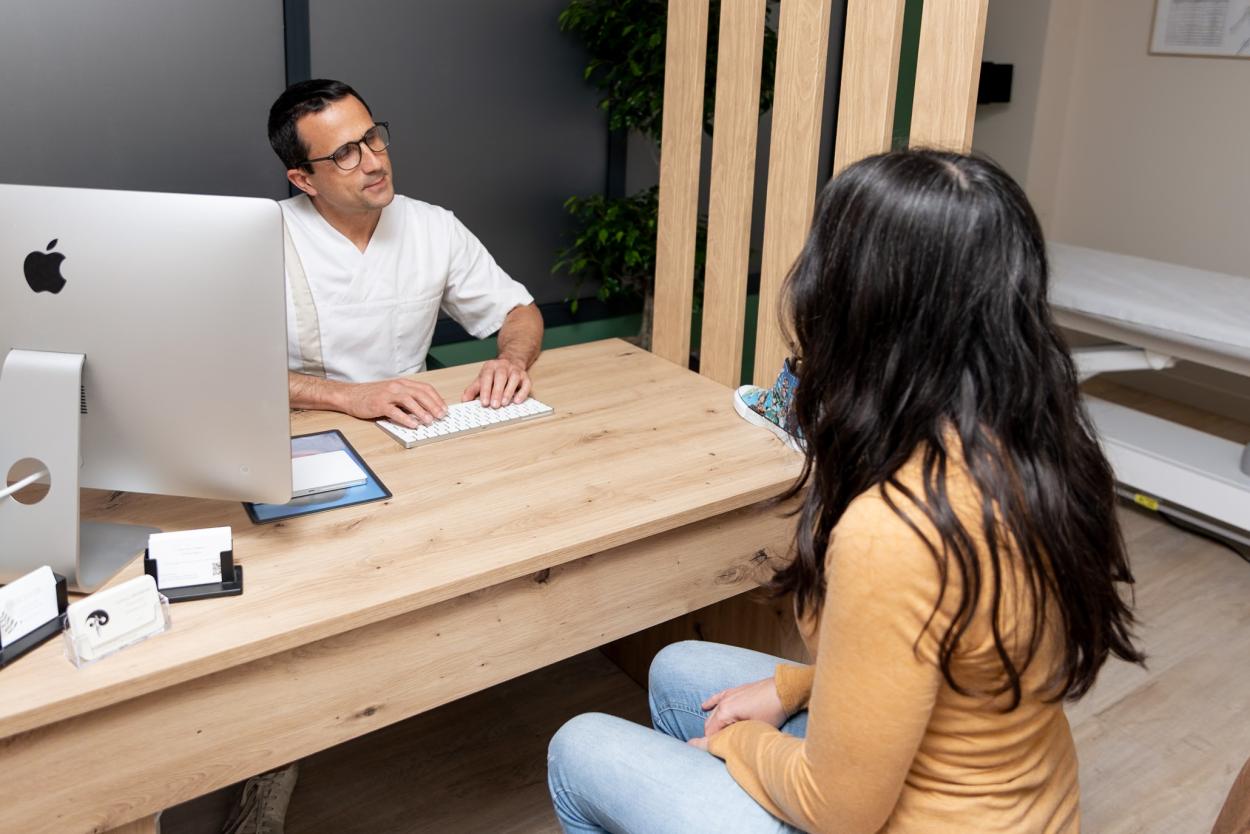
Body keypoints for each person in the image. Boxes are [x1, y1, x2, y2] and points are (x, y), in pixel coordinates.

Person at [546, 150, 1146, 833]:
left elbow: (841, 812)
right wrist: (788, 688)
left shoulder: (896, 528)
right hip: (1025, 806)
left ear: (860, 302)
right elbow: (942, 670)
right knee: (679, 667)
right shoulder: (1039, 444)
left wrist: (736, 745)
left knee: (580, 746)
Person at [267, 79, 543, 428]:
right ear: (304, 180)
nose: (373, 163)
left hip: (416, 421)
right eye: (344, 154)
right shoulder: (263, 238)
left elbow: (518, 311)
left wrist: (511, 363)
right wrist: (347, 395)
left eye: (371, 138)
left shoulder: (434, 226)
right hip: (306, 427)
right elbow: (224, 366)